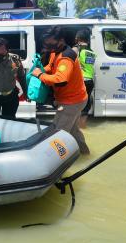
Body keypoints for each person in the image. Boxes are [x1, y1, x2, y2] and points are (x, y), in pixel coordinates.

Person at [31, 26, 90, 155]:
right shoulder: (54, 52)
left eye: (50, 42)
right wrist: (41, 70)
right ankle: (85, 154)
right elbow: (51, 67)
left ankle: (57, 164)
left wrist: (40, 75)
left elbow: (61, 79)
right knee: (73, 130)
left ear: (61, 40)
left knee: (58, 133)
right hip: (76, 98)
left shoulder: (66, 56)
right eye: (45, 43)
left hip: (71, 102)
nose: (47, 45)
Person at [72, 29, 96, 128]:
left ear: (77, 39)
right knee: (86, 105)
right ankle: (83, 127)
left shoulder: (77, 49)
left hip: (81, 81)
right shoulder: (92, 52)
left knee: (77, 104)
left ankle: (76, 128)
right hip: (90, 81)